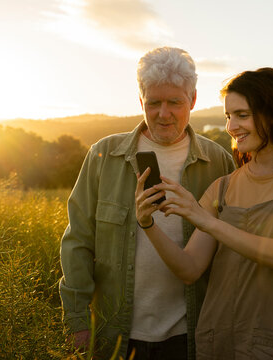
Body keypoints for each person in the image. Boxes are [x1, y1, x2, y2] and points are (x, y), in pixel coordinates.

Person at [135, 67, 273, 359]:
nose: (231, 127)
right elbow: (189, 269)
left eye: (242, 115)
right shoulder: (223, 186)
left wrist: (207, 221)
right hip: (217, 343)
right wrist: (147, 223)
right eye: (228, 117)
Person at [59, 46, 235, 360]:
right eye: (153, 103)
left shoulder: (218, 162)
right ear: (141, 100)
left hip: (191, 336)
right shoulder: (105, 156)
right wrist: (77, 321)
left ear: (192, 100)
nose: (163, 113)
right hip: (116, 335)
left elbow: (232, 250)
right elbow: (77, 242)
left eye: (175, 102)